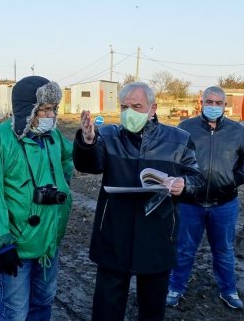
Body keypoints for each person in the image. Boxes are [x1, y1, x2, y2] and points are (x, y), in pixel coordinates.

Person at [73, 82, 205, 321]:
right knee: (107, 307)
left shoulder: (178, 139)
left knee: (152, 308)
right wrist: (88, 141)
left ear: (152, 108)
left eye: (136, 106)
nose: (129, 112)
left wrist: (184, 184)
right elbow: (90, 165)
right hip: (114, 232)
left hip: (157, 232)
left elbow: (197, 179)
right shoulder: (109, 135)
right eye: (124, 107)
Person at [0, 76, 74, 320]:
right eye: (45, 109)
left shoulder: (53, 137)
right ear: (27, 110)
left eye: (54, 109)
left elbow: (68, 160)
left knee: (43, 303)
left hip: (49, 242)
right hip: (16, 245)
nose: (52, 115)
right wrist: (0, 243)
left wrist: (63, 187)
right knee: (16, 311)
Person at [166, 86, 244, 309]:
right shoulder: (185, 128)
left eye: (218, 103)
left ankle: (229, 290)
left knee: (224, 249)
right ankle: (175, 287)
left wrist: (232, 180)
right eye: (210, 102)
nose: (214, 106)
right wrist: (184, 184)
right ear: (201, 102)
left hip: (224, 204)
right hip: (190, 203)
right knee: (184, 248)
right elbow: (173, 159)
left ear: (225, 105)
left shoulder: (237, 131)